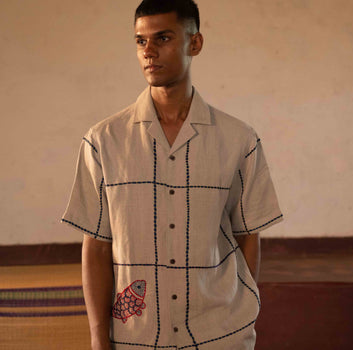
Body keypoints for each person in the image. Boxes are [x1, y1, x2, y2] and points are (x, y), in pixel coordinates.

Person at [61, 0, 283, 349]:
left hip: (220, 336)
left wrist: (238, 310)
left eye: (162, 38)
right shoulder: (103, 141)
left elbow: (247, 235)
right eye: (140, 41)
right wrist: (98, 339)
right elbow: (97, 248)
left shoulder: (239, 140)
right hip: (136, 337)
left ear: (194, 43)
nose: (149, 51)